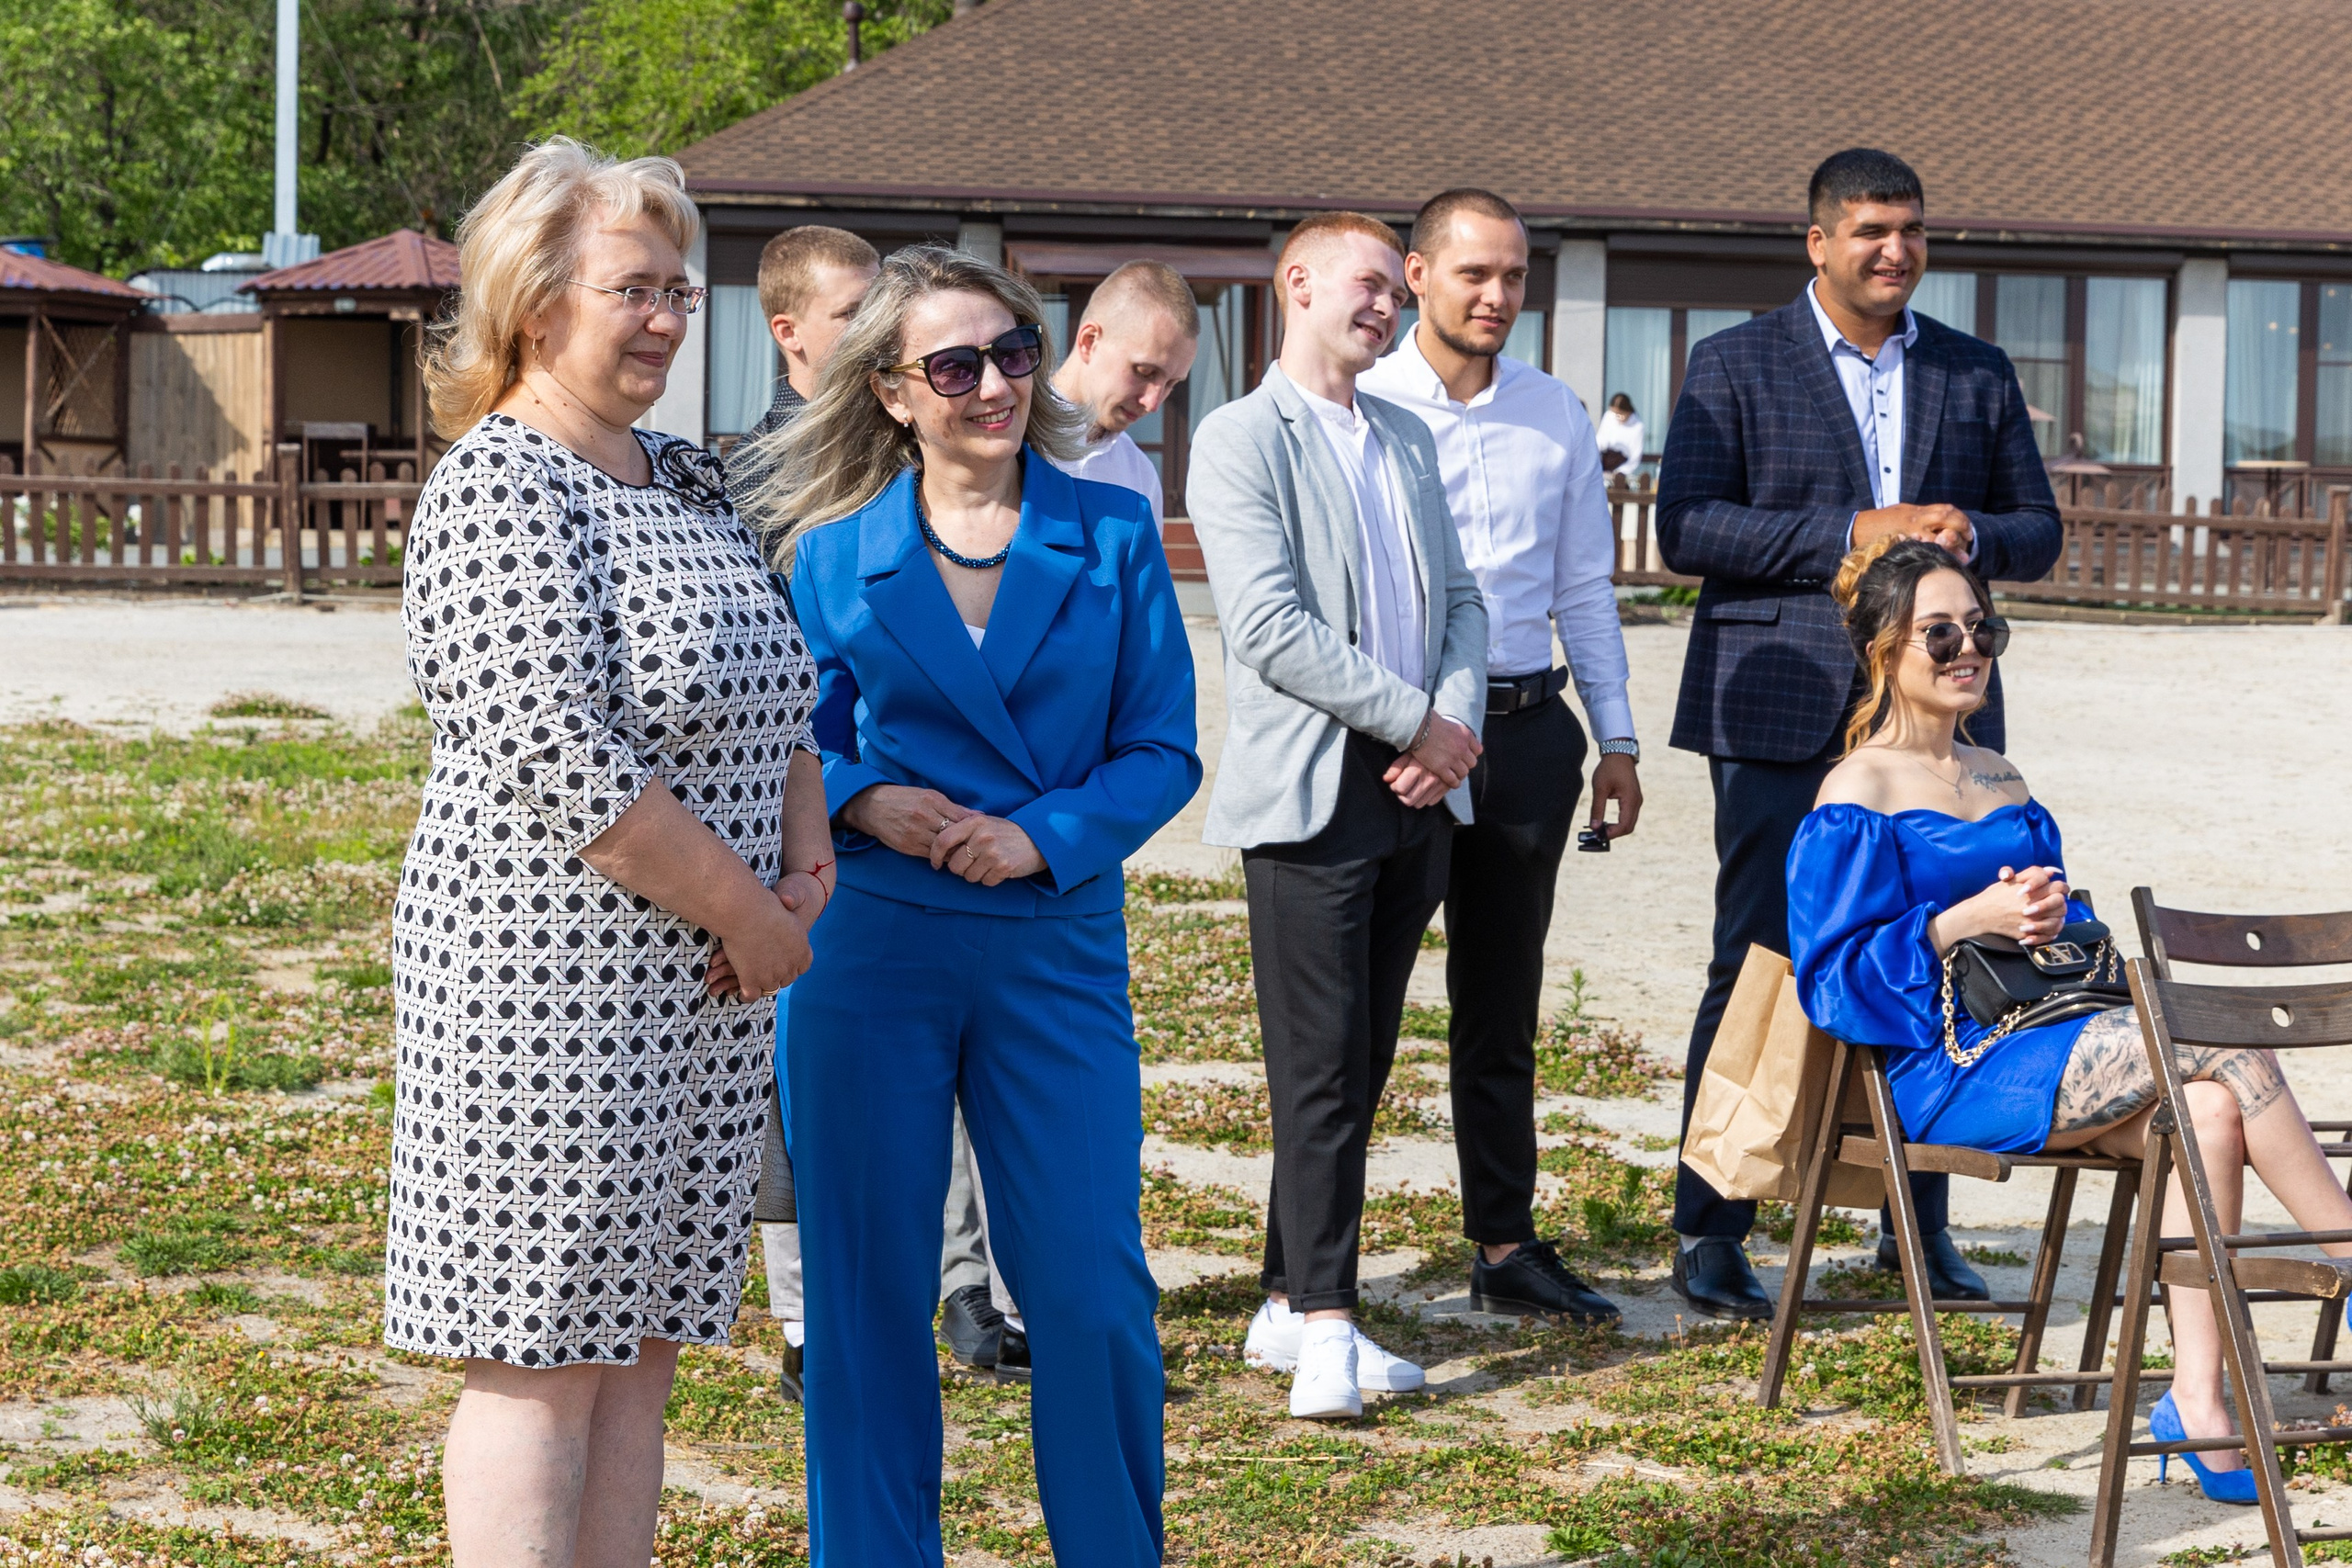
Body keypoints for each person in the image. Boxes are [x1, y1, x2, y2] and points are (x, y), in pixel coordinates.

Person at [387, 138, 831, 1568]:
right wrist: (755, 916)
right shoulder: (500, 489)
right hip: (546, 995)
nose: (666, 315)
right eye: (633, 288)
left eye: (679, 289)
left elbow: (783, 678)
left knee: (639, 1348)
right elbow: (565, 757)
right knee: (539, 1354)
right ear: (536, 303)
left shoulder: (688, 478)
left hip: (693, 997)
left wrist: (805, 846)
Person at [745, 243, 1199, 1566]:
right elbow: (787, 742)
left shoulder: (1113, 528)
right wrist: (867, 796)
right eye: (955, 364)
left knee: (1088, 1283)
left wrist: (1042, 834)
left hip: (1052, 943)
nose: (994, 384)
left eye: (1012, 352)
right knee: (869, 1289)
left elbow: (1163, 748)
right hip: (869, 946)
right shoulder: (827, 553)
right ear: (891, 390)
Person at [1789, 536, 2352, 1504]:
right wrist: (1958, 922)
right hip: (1944, 1064)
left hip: (2059, 1032)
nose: (1968, 648)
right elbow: (1831, 981)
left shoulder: (2001, 777)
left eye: (1983, 628)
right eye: (1941, 632)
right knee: (2217, 1042)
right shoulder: (1855, 796)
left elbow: (2061, 941)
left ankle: (2194, 1403)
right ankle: (2348, 1247)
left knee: (2209, 1112)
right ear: (1885, 647)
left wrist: (2051, 914)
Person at [1656, 146, 2063, 1321]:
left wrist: (1964, 542)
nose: (1896, 250)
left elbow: (2035, 527)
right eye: (1872, 229)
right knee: (1761, 959)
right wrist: (1857, 529)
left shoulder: (1976, 373)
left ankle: (1914, 1228)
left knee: (1950, 955)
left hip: (1934, 716)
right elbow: (1688, 525)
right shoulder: (1733, 363)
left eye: (1913, 229)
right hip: (1777, 706)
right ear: (1817, 242)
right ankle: (1711, 1225)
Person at [1188, 211, 1488, 1419]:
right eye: (1364, 283)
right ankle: (1326, 1331)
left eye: (1390, 288)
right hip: (1316, 794)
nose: (1383, 303)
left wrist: (1448, 724)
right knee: (1315, 1071)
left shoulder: (1408, 434)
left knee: (1361, 1065)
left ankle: (1282, 1297)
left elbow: (1463, 600)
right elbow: (1265, 625)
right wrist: (1415, 718)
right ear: (1297, 285)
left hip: (1421, 789)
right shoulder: (1239, 436)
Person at [722, 225, 1019, 1397]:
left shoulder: (932, 472)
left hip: (937, 845)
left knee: (945, 1074)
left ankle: (962, 1285)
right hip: (798, 826)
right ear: (792, 330)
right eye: (863, 313)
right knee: (799, 1100)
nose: (893, 332)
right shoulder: (742, 479)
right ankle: (809, 1325)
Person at [1358, 187, 1636, 1325]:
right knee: (1357, 1012)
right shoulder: (1360, 401)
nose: (1497, 296)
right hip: (1391, 741)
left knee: (1500, 1004)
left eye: (1514, 276)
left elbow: (1582, 586)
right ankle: (1304, 1265)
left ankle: (1504, 1242)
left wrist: (1615, 739)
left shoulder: (1555, 415)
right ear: (1415, 274)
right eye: (1474, 273)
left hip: (1526, 737)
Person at [726, 225, 879, 505]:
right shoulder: (758, 473)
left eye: (880, 307)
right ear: (788, 332)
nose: (877, 325)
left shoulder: (906, 431)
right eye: (852, 313)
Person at [1045, 258, 1200, 530]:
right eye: (1144, 371)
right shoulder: (1008, 438)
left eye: (1171, 384)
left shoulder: (1140, 477)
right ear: (1089, 341)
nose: (1153, 403)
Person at [1596, 392, 1643, 477]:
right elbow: (1599, 440)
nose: (1617, 417)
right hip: (1603, 464)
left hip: (1622, 470)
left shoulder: (1637, 427)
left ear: (1628, 411)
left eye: (1620, 414)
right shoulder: (1609, 416)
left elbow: (1635, 456)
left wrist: (1620, 472)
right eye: (1615, 413)